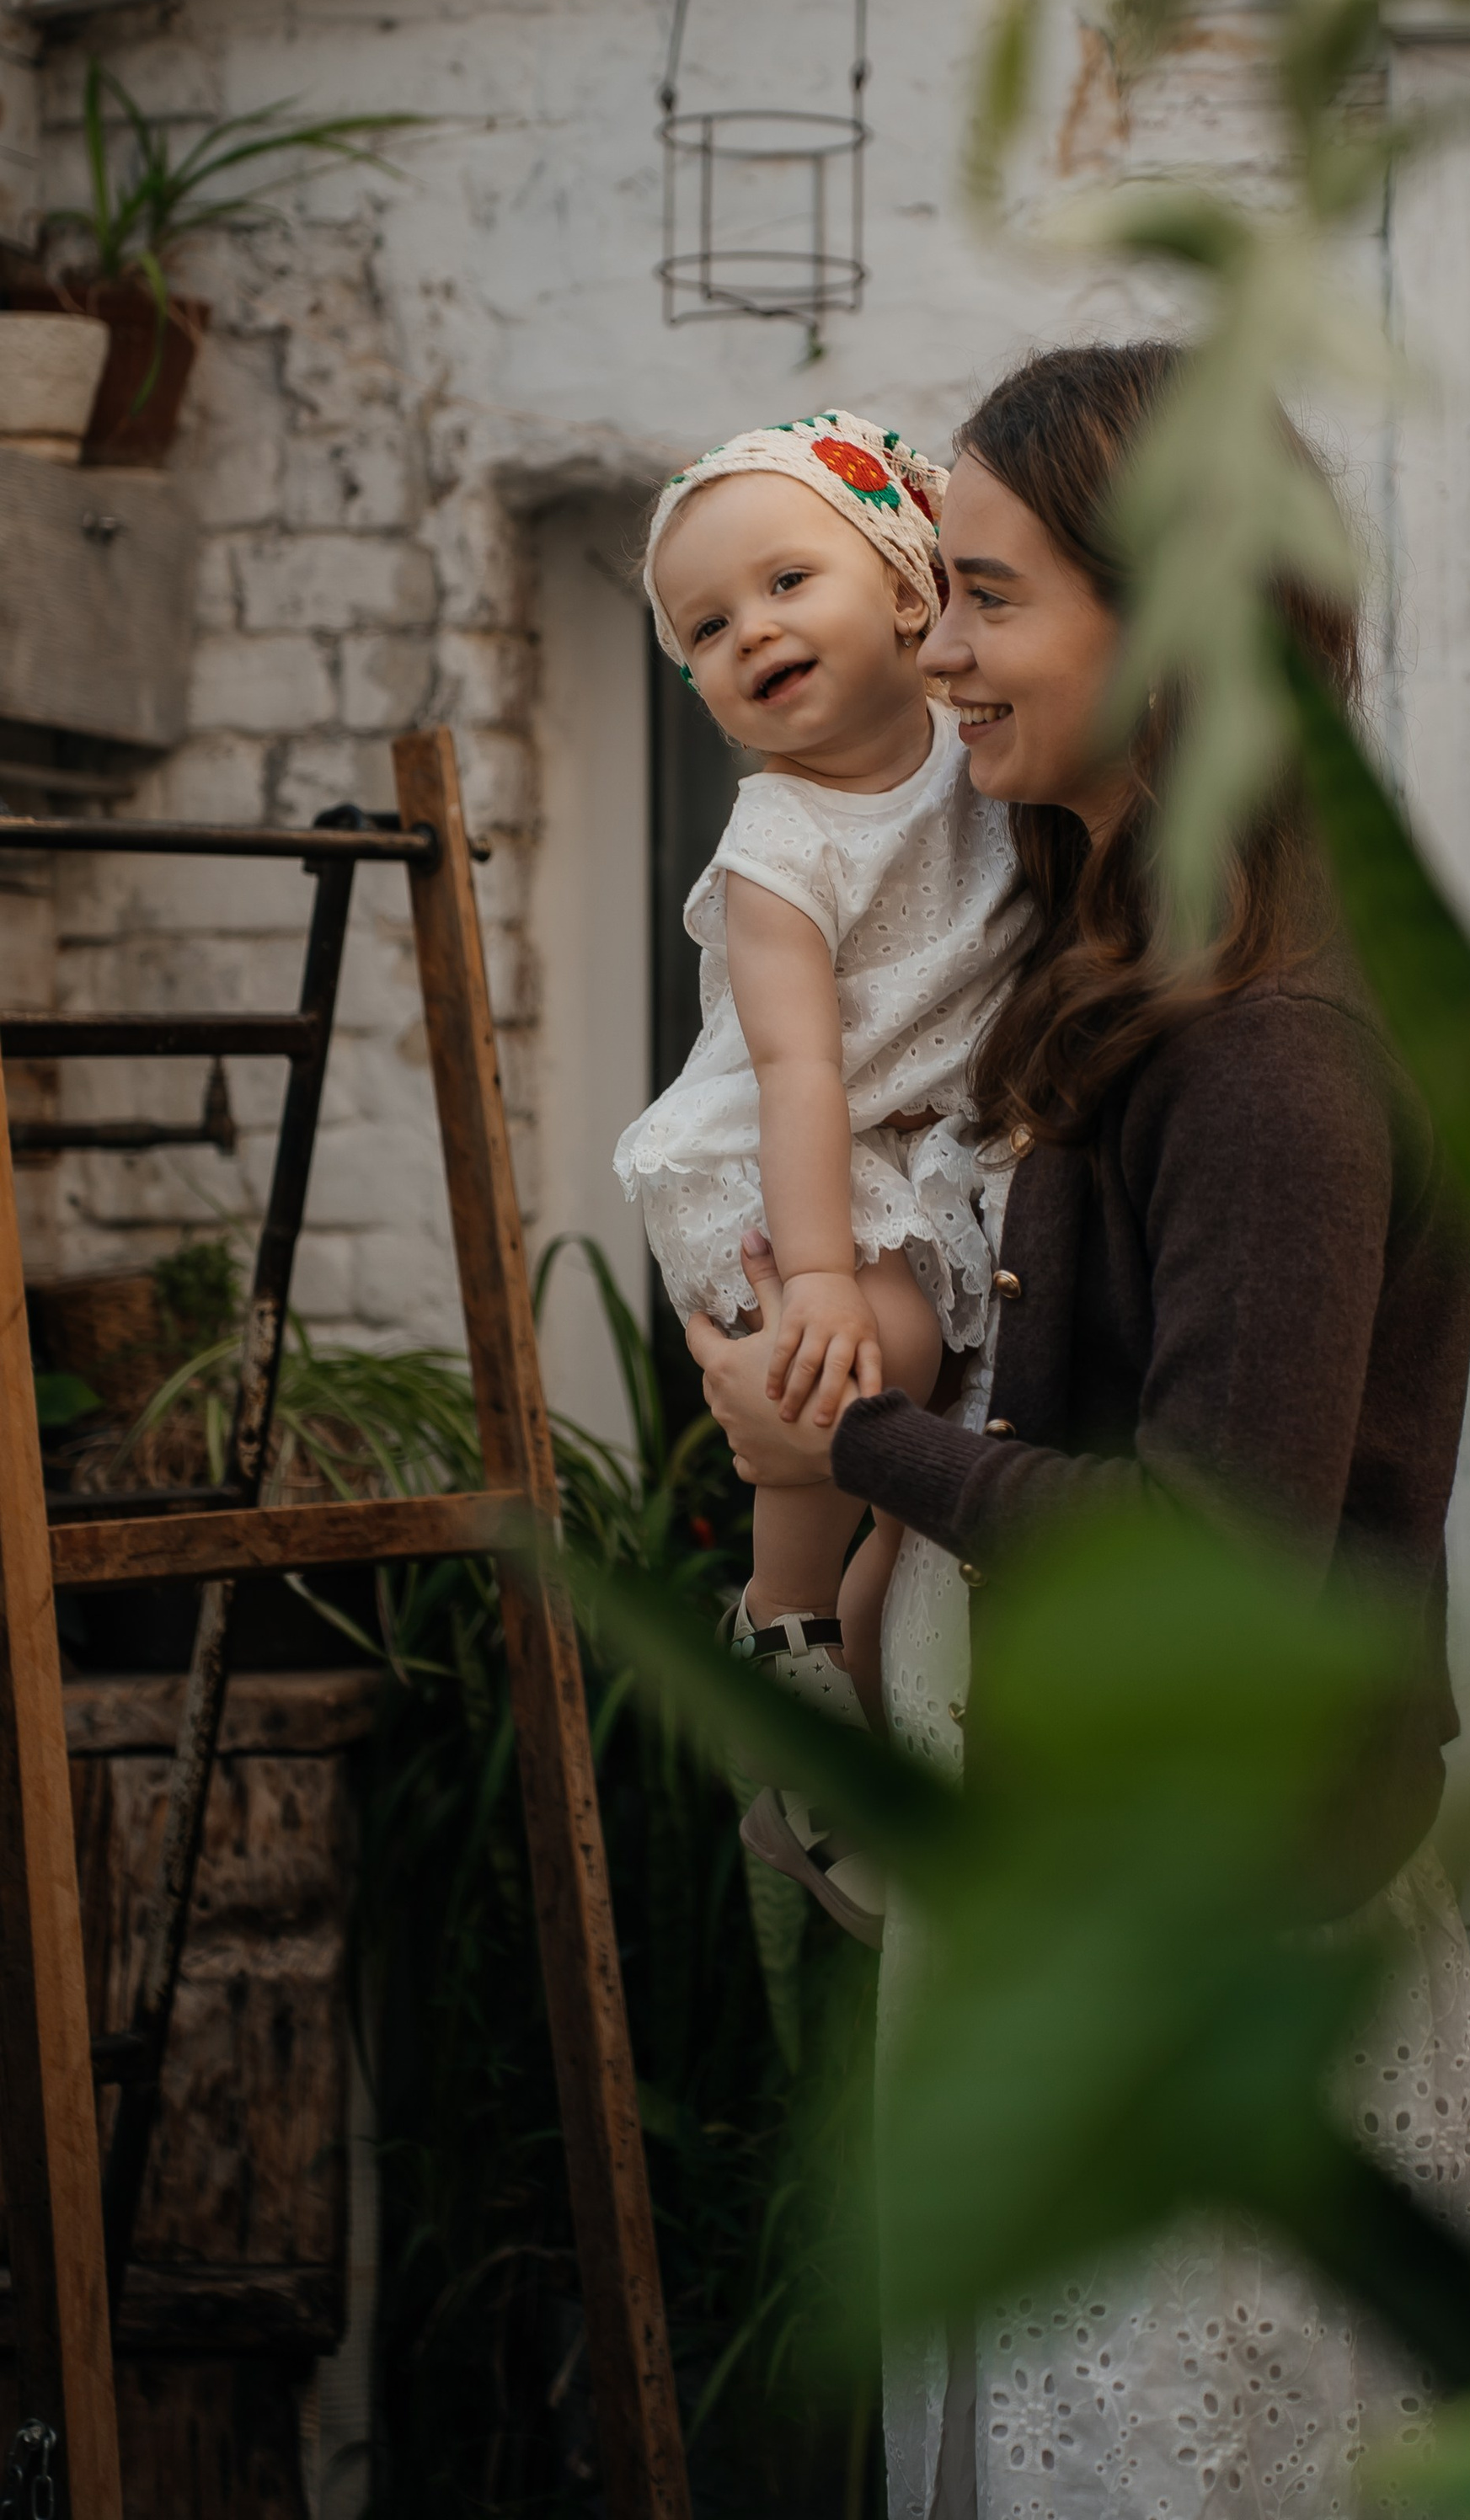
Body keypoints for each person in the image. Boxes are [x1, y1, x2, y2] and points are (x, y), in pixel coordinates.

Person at [689, 343, 1470, 2520]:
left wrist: (845, 1443)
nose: (927, 651)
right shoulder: (1110, 963)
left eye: (982, 600)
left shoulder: (1269, 1055)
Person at [615, 408, 1025, 1934]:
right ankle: (775, 1647)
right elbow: (798, 1073)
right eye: (708, 628)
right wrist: (827, 1291)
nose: (752, 633)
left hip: (916, 1153)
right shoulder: (781, 839)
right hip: (785, 1168)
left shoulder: (983, 753)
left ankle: (848, 1749)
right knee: (875, 1374)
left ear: (912, 587)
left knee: (918, 1536)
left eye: (789, 581)